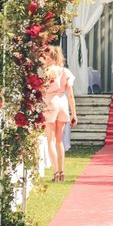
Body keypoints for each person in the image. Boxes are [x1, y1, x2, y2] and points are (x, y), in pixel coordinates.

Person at [41, 46, 77, 182]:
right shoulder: (65, 71)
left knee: (50, 141)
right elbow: (71, 95)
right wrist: (74, 114)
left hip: (51, 102)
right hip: (63, 102)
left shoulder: (47, 72)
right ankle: (61, 172)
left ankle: (56, 172)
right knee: (59, 140)